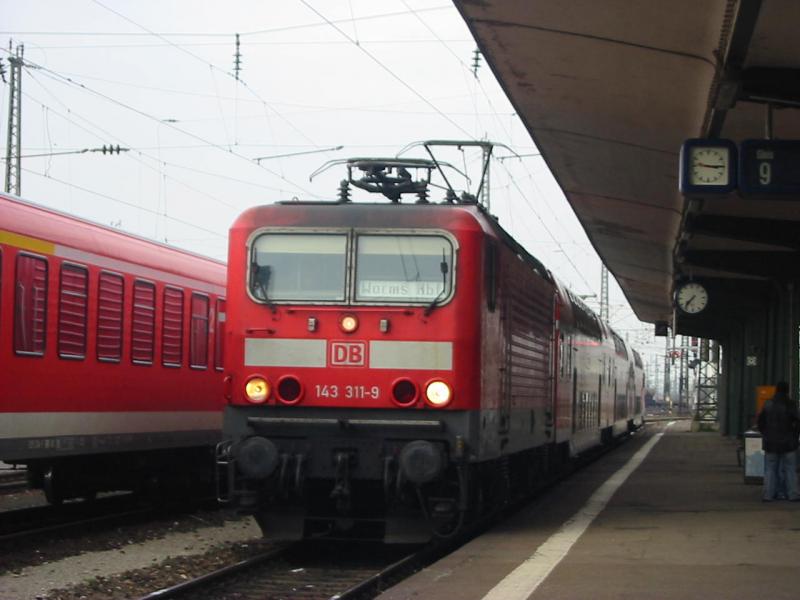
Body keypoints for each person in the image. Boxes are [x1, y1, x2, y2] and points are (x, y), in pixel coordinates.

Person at [757, 381, 800, 501]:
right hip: (789, 443)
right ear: (787, 391)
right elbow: (798, 422)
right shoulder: (791, 404)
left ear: (776, 390)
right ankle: (793, 494)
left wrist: (766, 434)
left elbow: (760, 422)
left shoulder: (768, 404)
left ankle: (768, 495)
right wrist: (795, 436)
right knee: (790, 469)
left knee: (770, 469)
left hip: (770, 443)